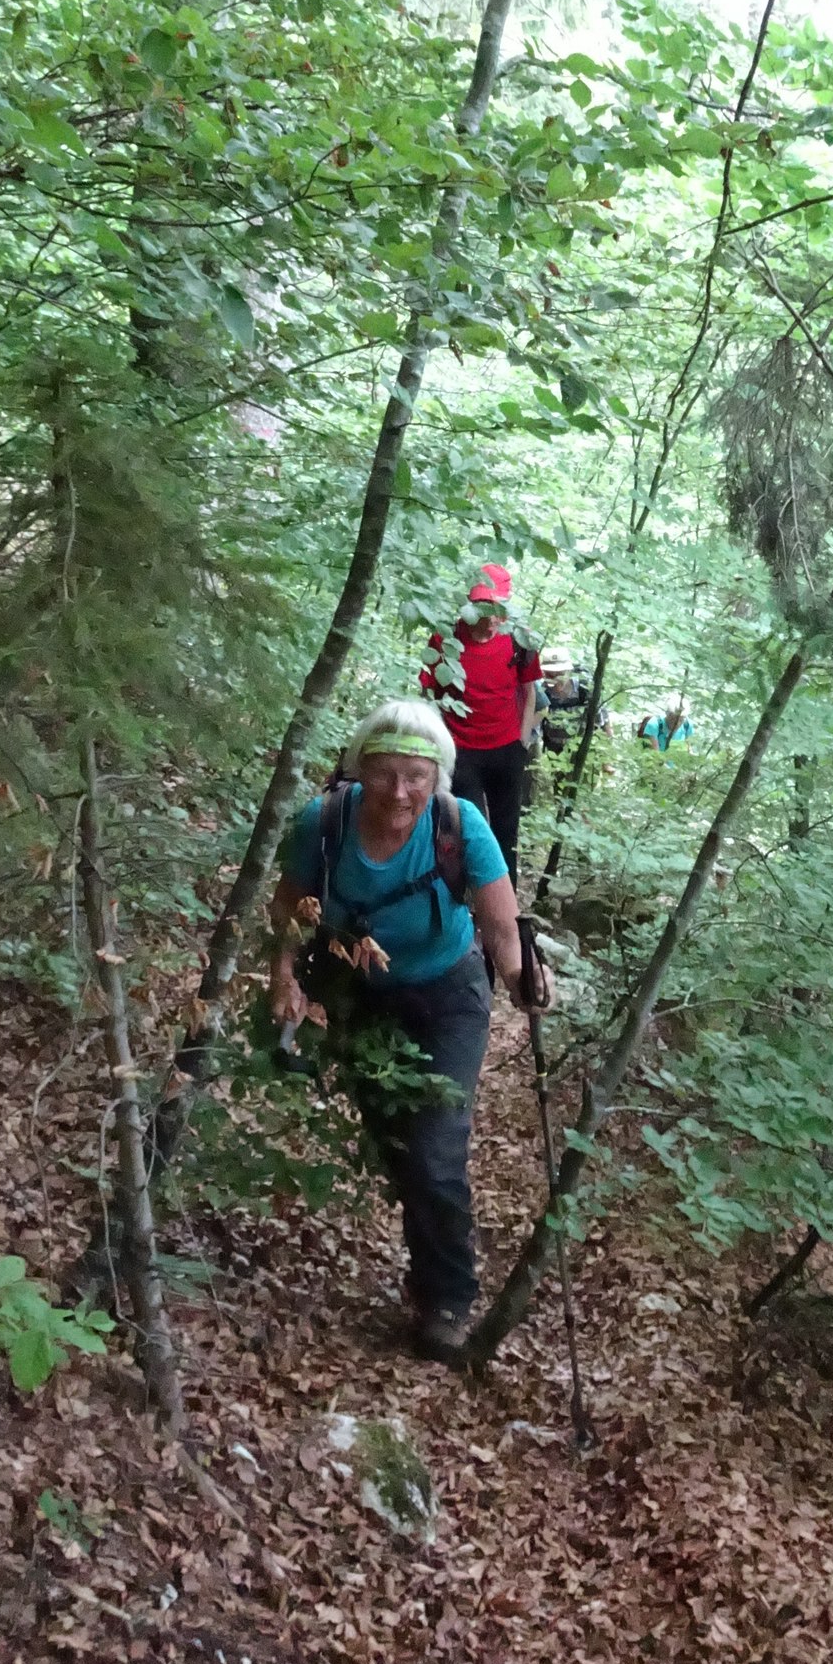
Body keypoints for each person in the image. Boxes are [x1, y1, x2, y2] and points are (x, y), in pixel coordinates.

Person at [268, 699, 547, 1361]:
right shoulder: (325, 821)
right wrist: (284, 976)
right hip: (360, 998)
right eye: (387, 773)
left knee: (434, 1149)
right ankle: (427, 1268)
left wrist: (519, 979)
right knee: (400, 1145)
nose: (401, 791)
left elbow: (501, 927)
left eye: (416, 776)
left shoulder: (460, 825)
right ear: (361, 769)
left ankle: (447, 1299)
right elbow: (287, 911)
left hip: (448, 995)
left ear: (438, 777)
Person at [419, 562, 542, 886]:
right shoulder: (445, 638)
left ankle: (506, 912)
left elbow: (529, 693)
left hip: (507, 749)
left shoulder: (520, 640)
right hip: (461, 750)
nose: (490, 620)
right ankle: (461, 896)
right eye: (483, 609)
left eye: (497, 610)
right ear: (470, 605)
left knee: (506, 832)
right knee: (467, 829)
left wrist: (522, 741)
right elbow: (428, 692)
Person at [538, 644, 588, 756]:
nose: (555, 678)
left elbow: (602, 723)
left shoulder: (584, 691)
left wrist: (606, 763)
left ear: (569, 671)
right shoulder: (542, 694)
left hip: (582, 754)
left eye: (560, 673)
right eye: (550, 674)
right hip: (553, 756)